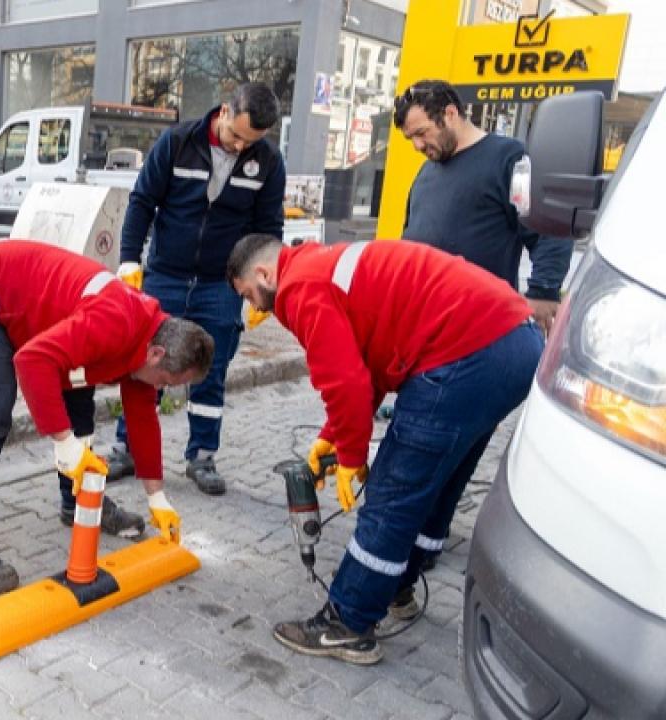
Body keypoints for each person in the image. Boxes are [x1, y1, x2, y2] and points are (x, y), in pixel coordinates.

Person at [227, 233, 544, 665]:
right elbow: (368, 366)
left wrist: (354, 458)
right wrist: (333, 435)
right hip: (513, 342)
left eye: (250, 294)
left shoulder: (299, 287)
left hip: (464, 351)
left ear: (265, 273)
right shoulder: (322, 264)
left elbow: (346, 383)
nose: (256, 308)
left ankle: (349, 621)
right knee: (439, 478)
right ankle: (398, 585)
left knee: (392, 492)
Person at [0, 240, 215, 594]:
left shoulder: (149, 340)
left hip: (41, 311)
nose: (160, 387)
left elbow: (143, 418)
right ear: (157, 354)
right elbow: (32, 360)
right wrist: (62, 440)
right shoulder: (115, 322)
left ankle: (77, 503)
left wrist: (156, 498)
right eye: (165, 381)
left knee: (80, 398)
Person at [112, 82, 287, 496]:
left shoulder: (267, 162)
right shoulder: (177, 142)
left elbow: (268, 229)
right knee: (148, 359)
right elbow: (142, 202)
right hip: (166, 274)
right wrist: (128, 261)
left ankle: (202, 454)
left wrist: (266, 286)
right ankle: (128, 448)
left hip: (220, 283)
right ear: (224, 111)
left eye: (252, 141)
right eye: (236, 135)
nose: (241, 147)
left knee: (212, 366)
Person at [395, 79, 573, 334]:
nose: (417, 146)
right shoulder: (426, 173)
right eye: (411, 138)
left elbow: (549, 228)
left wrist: (543, 291)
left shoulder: (510, 159)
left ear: (450, 113)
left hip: (481, 331)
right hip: (424, 329)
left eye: (422, 133)